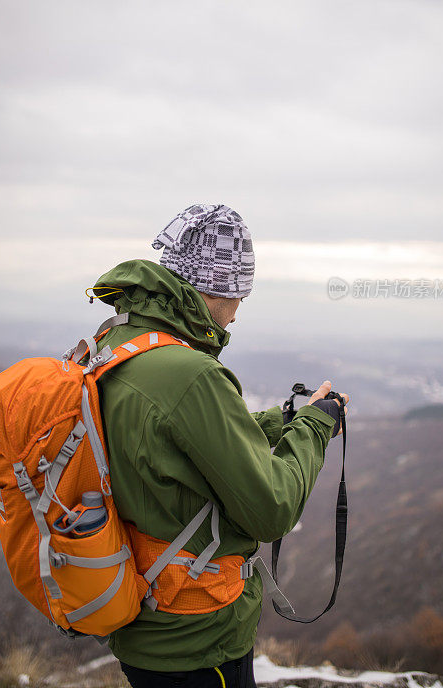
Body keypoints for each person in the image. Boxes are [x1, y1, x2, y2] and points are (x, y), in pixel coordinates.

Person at [91, 203, 349, 688]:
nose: (236, 314)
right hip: (197, 637)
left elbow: (179, 441)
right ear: (215, 288)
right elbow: (272, 508)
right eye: (238, 297)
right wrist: (316, 427)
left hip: (143, 620)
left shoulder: (122, 343)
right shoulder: (191, 375)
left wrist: (283, 419)